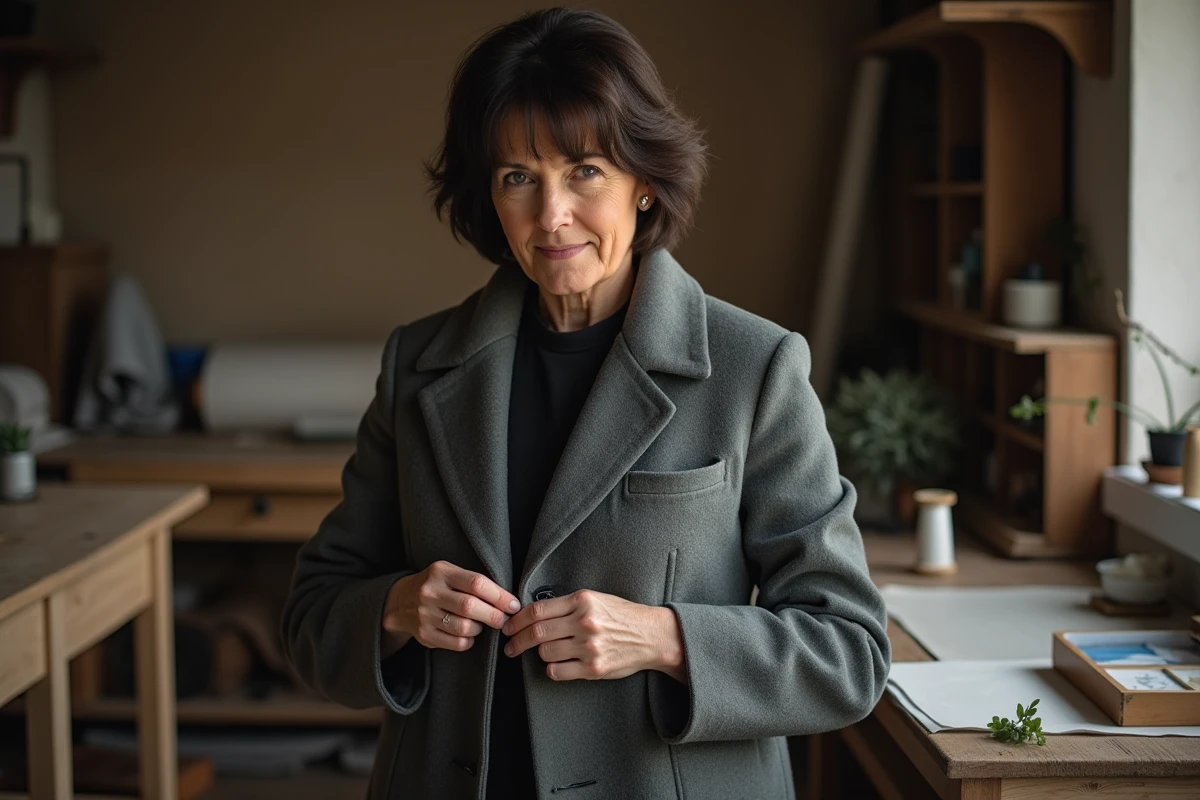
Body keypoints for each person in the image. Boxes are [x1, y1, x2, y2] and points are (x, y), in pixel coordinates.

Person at [281, 8, 890, 799]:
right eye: (517, 178)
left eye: (585, 170)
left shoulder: (755, 368)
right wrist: (396, 607)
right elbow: (309, 620)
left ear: (644, 182)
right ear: (489, 199)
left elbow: (850, 654)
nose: (551, 215)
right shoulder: (418, 367)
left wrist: (667, 638)